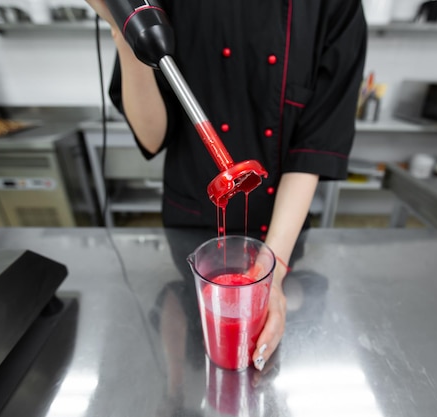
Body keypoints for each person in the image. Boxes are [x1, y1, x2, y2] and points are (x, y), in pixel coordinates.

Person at [85, 0, 367, 371]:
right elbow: (152, 137)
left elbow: (313, 148)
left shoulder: (334, 5)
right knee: (196, 345)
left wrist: (274, 270)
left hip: (279, 231)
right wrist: (123, 30)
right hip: (191, 225)